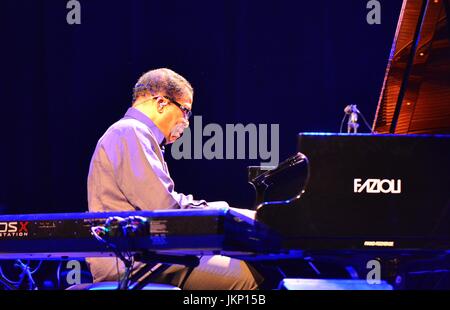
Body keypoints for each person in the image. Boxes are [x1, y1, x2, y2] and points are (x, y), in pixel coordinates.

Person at [85, 68, 263, 290]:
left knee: (243, 265)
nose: (187, 122)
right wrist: (227, 213)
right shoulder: (130, 131)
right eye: (185, 111)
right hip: (131, 261)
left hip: (145, 255)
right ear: (161, 103)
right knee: (248, 277)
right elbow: (165, 209)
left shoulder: (133, 134)